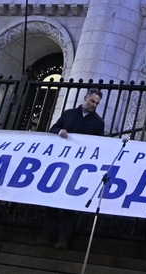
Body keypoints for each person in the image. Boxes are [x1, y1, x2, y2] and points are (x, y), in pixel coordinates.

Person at [41, 89, 105, 249]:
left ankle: (63, 239)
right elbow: (53, 129)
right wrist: (59, 131)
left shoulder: (98, 122)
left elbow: (99, 144)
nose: (94, 105)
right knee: (52, 202)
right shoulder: (69, 114)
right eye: (92, 101)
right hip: (61, 163)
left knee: (69, 205)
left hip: (79, 167)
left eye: (97, 103)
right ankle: (47, 237)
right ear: (85, 98)